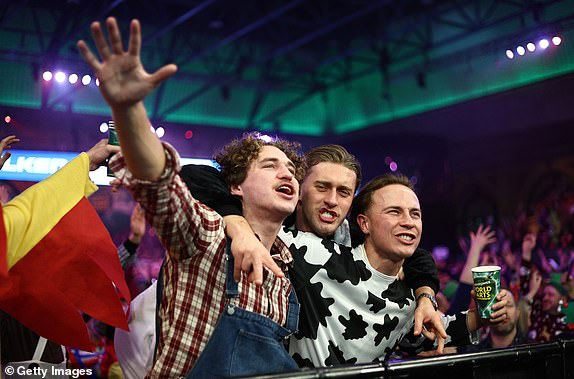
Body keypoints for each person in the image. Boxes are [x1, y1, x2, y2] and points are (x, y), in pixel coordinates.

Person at [78, 16, 305, 378]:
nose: (287, 173)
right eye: (270, 166)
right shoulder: (206, 234)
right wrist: (129, 110)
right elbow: (159, 184)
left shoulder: (284, 274)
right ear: (234, 187)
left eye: (292, 170)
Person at [187, 144, 446, 347]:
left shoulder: (352, 235)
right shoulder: (274, 220)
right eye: (322, 187)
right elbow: (195, 175)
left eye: (343, 192)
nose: (332, 201)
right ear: (299, 189)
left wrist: (425, 297)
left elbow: (416, 256)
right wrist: (237, 223)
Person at [0, 138, 130, 377]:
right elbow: (33, 210)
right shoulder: (15, 274)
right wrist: (86, 162)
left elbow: (90, 278)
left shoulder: (43, 263)